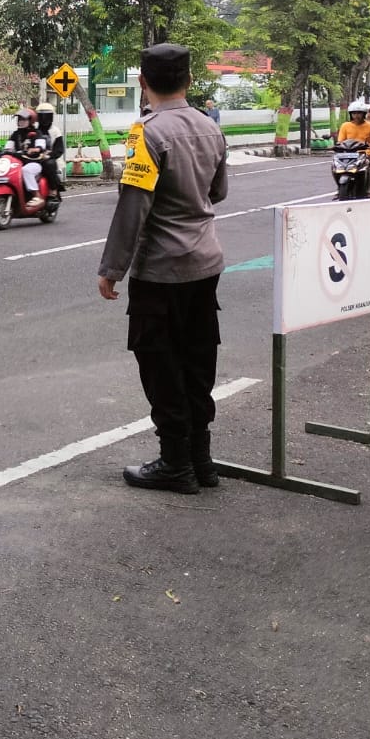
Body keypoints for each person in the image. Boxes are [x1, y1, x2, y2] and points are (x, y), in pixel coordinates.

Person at [97, 43, 230, 494]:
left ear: (143, 83)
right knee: (198, 356)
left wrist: (112, 268)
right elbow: (219, 191)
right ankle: (201, 459)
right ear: (189, 81)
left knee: (160, 362)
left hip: (162, 269)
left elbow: (135, 205)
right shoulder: (210, 128)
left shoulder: (147, 134)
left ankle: (176, 461)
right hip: (206, 260)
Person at [3, 108, 48, 201]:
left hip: (33, 162)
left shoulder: (37, 133)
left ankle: (36, 196)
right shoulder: (16, 134)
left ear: (31, 120)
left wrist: (35, 149)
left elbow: (41, 146)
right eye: (19, 119)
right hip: (18, 163)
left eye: (23, 119)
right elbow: (8, 147)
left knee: (26, 170)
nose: (20, 122)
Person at [34, 105, 66, 196]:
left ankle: (53, 189)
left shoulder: (55, 131)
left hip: (51, 158)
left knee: (49, 164)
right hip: (34, 158)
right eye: (42, 116)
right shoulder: (34, 130)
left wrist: (49, 155)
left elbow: (59, 149)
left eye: (47, 116)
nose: (44, 118)